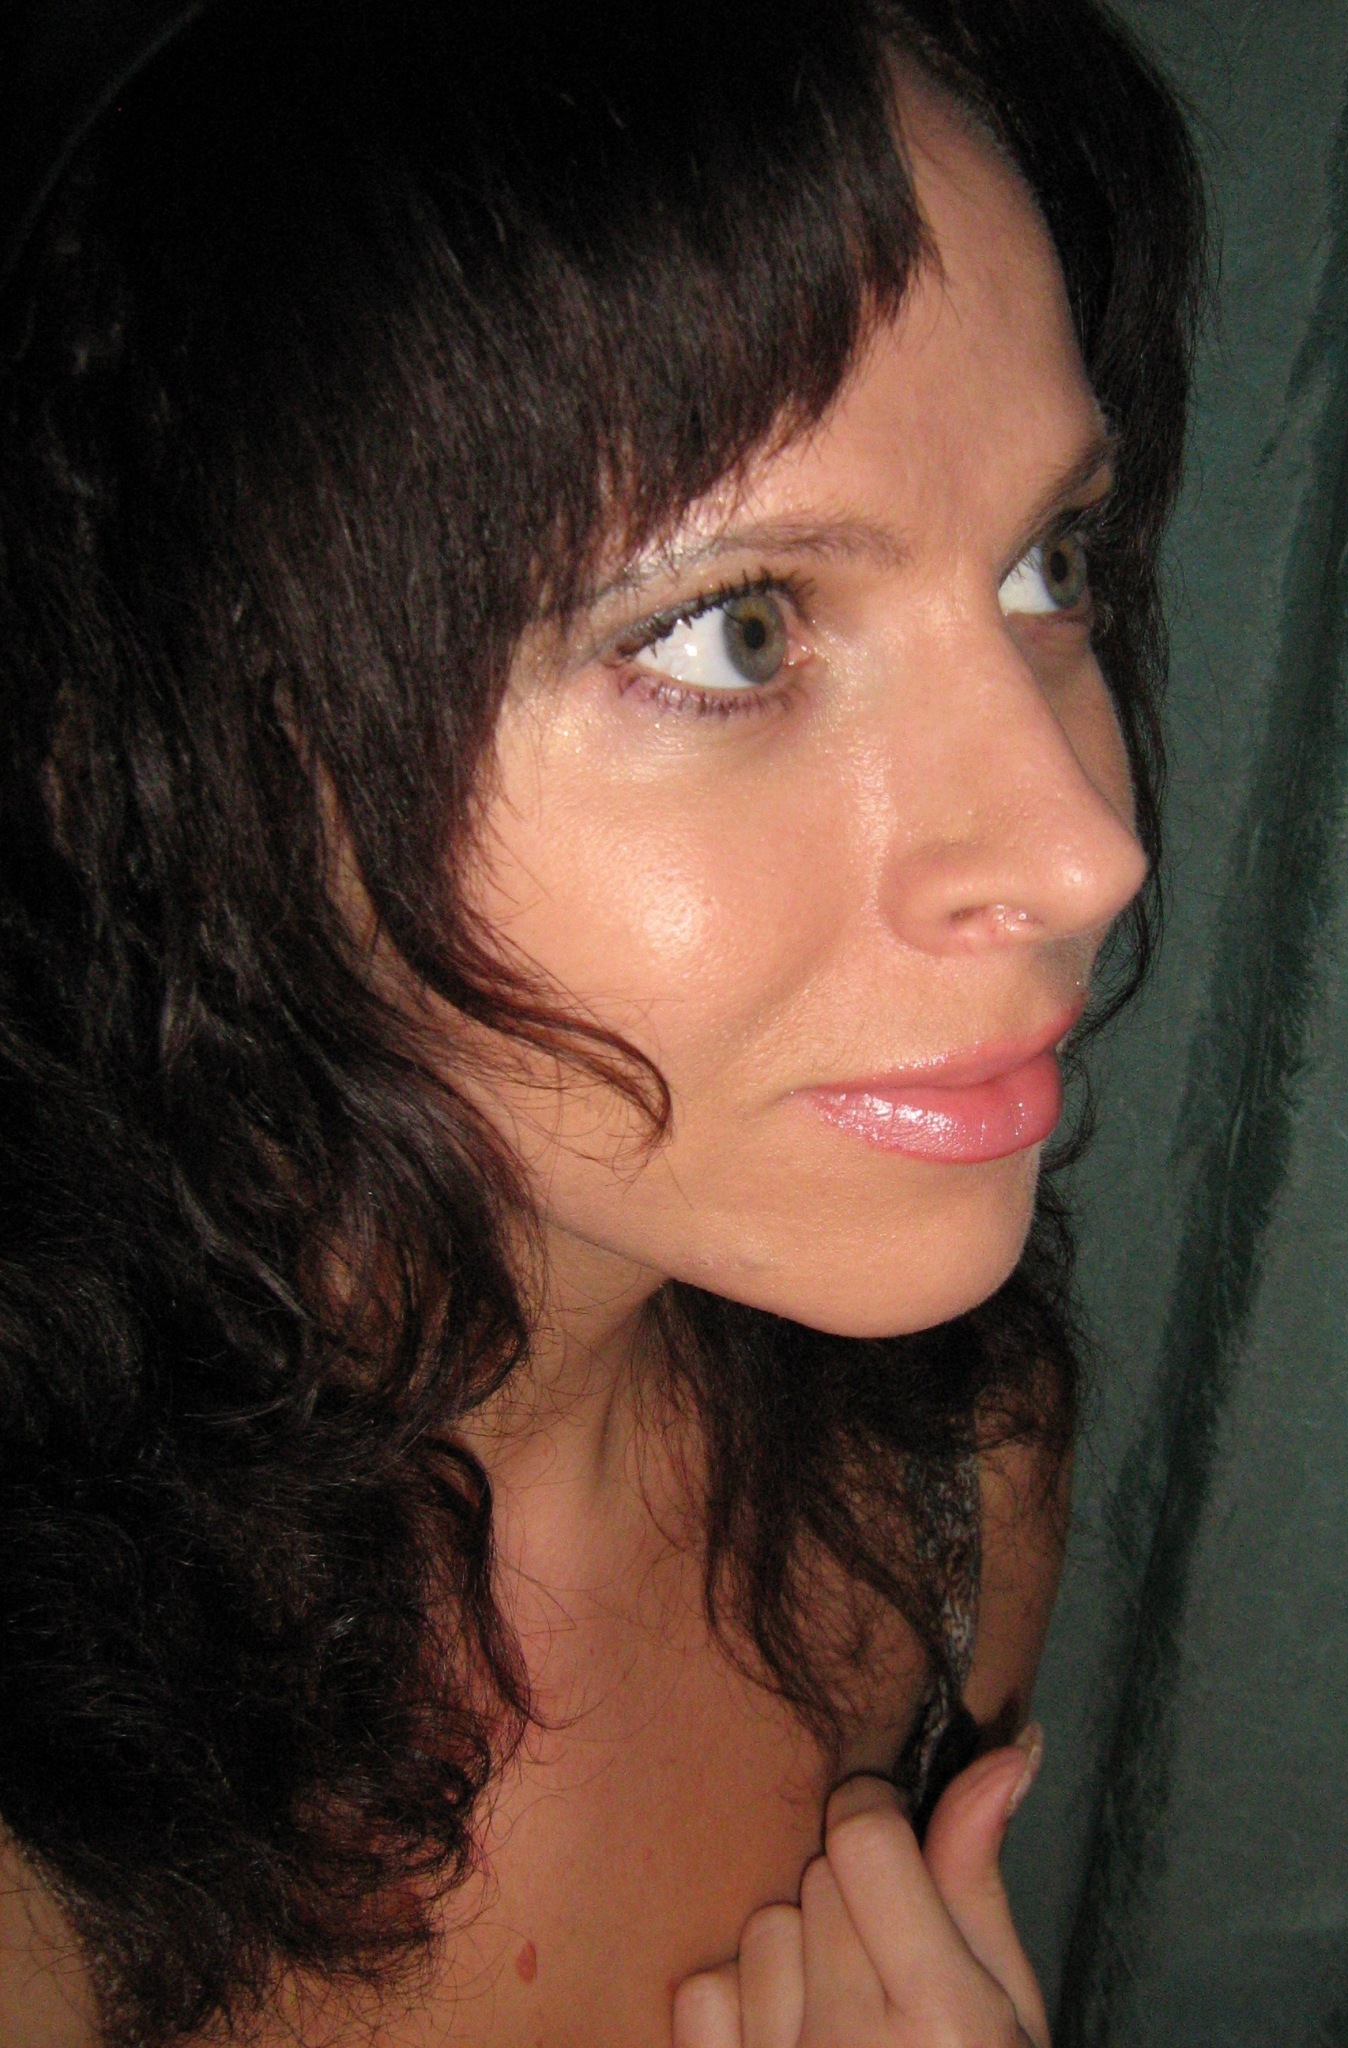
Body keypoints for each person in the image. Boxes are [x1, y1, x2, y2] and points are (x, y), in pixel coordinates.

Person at [0, 0, 1202, 2041]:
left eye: (1044, 566)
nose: (1087, 849)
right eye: (738, 630)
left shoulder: (942, 1480)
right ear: (148, 746)